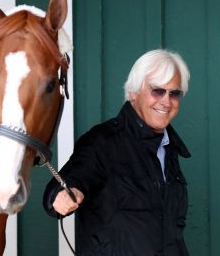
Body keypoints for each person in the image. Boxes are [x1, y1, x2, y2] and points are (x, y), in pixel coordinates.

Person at [43, 49, 191, 255]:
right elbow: (70, 180)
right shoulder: (102, 142)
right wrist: (60, 196)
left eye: (174, 93)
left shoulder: (169, 149)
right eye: (157, 90)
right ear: (133, 92)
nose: (166, 101)